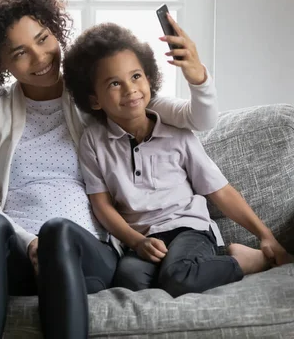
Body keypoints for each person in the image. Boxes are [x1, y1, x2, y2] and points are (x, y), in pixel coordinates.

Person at [0, 0, 222, 339]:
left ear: (56, 31)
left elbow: (199, 120)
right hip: (17, 254)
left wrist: (197, 77)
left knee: (55, 232)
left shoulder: (98, 91)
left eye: (43, 38)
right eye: (19, 53)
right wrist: (28, 243)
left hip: (85, 255)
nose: (40, 58)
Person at [63, 21, 293, 296]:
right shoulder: (93, 141)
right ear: (95, 100)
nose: (130, 89)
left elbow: (219, 191)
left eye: (136, 76)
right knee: (129, 283)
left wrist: (265, 235)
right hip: (143, 239)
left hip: (189, 229)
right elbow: (102, 206)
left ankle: (243, 261)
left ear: (149, 78)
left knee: (178, 276)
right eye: (114, 83)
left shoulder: (177, 134)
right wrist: (136, 242)